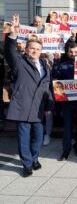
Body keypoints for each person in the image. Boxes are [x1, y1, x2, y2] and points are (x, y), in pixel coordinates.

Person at [4, 14, 54, 177]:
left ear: (41, 51)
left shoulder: (45, 65)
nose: (35, 51)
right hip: (23, 106)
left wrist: (49, 105)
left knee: (38, 137)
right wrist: (13, 34)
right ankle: (26, 164)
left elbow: (47, 86)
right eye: (32, 48)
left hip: (39, 108)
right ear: (26, 49)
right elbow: (9, 51)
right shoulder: (19, 62)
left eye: (38, 49)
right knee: (24, 138)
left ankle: (34, 158)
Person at [52, 43, 77, 161]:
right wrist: (56, 61)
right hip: (67, 101)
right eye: (71, 52)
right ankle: (66, 150)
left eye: (76, 52)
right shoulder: (62, 65)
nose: (73, 54)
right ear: (67, 53)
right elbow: (54, 76)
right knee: (67, 126)